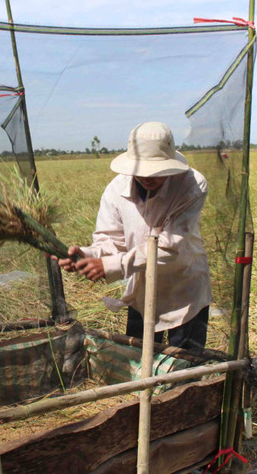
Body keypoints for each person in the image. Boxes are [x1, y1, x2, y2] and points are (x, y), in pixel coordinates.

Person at [58, 122, 211, 351]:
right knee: (138, 358)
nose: (147, 177)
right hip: (141, 289)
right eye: (140, 170)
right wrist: (87, 254)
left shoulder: (192, 185)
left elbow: (169, 247)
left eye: (155, 171)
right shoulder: (116, 189)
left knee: (185, 364)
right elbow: (111, 240)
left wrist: (109, 265)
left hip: (185, 287)